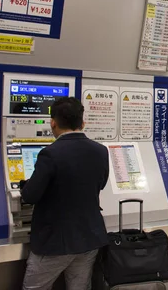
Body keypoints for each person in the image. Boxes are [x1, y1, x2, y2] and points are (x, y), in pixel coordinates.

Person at [21, 97, 110, 290]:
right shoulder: (100, 151)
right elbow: (100, 184)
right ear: (82, 122)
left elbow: (30, 196)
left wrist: (24, 185)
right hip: (89, 237)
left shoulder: (50, 153)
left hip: (55, 242)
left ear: (53, 122)